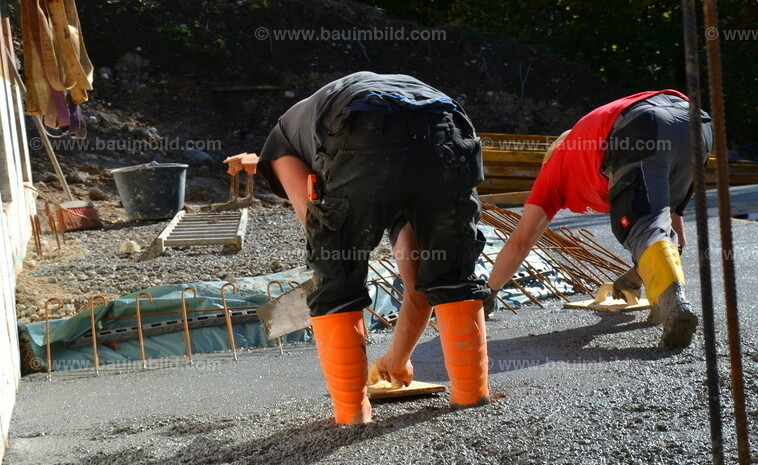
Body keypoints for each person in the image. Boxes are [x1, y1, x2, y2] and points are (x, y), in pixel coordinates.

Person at [258, 72, 491, 425]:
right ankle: (471, 396)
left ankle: (353, 415)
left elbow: (321, 234)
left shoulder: (281, 145)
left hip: (364, 124)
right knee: (451, 272)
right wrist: (396, 360)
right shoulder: (324, 136)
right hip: (445, 128)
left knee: (337, 275)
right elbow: (419, 284)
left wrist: (335, 274)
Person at [486, 91, 713, 349]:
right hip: (698, 124)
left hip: (643, 125)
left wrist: (489, 292)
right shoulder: (588, 139)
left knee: (639, 224)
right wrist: (637, 276)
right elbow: (676, 239)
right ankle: (671, 300)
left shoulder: (553, 170)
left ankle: (676, 305)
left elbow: (520, 242)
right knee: (654, 221)